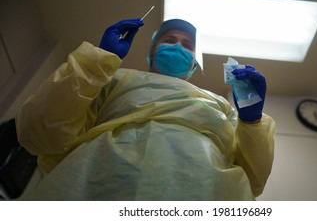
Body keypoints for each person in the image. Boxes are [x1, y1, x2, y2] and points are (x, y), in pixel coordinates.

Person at [16, 18, 275, 200]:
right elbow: (38, 133)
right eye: (170, 39)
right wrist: (95, 62)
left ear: (194, 64)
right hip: (101, 183)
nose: (178, 46)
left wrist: (251, 123)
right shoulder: (114, 79)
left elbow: (253, 180)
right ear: (151, 53)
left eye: (187, 45)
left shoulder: (218, 103)